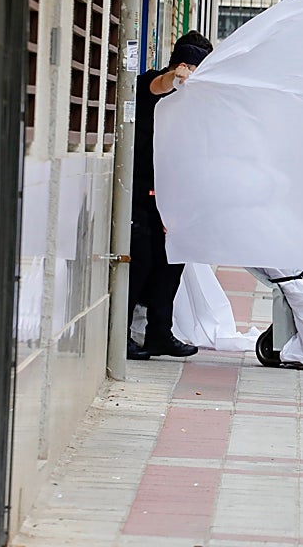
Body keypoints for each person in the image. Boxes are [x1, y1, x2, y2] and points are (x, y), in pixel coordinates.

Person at [128, 33, 212, 360]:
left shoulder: (196, 98)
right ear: (181, 64)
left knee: (171, 262)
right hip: (141, 191)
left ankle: (159, 333)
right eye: (190, 67)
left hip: (174, 193)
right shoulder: (153, 83)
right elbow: (158, 85)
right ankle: (120, 335)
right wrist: (175, 78)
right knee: (142, 261)